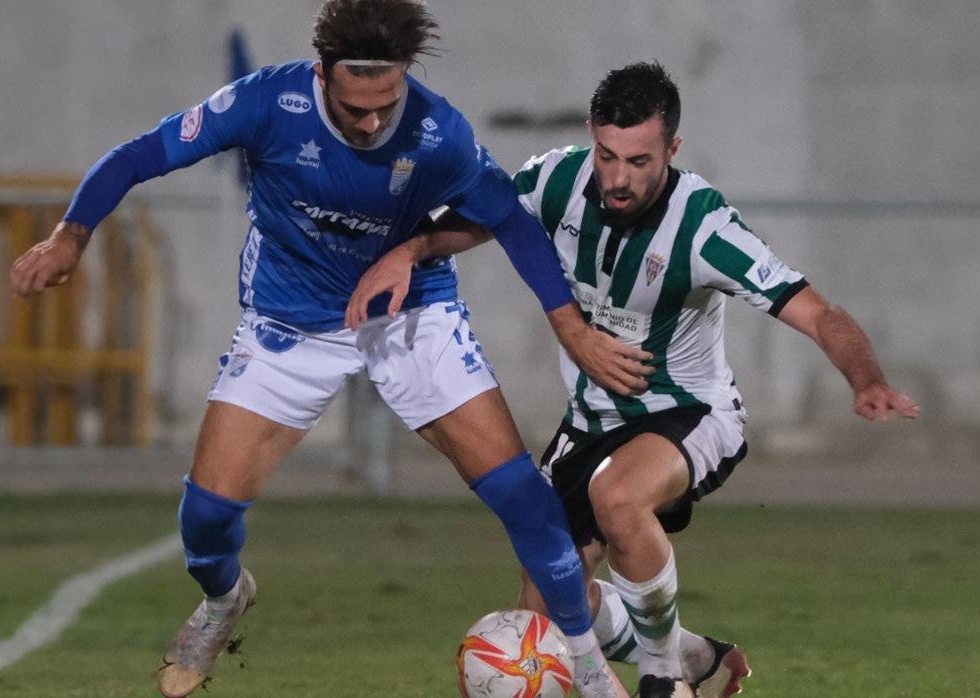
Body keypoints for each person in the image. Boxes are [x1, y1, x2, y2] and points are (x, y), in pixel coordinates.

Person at [9, 2, 651, 696]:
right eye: (355, 109)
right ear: (322, 77)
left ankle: (592, 675)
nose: (373, 123)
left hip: (412, 317)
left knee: (523, 497)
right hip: (291, 321)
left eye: (386, 104)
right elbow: (138, 155)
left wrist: (573, 330)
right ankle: (225, 599)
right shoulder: (265, 103)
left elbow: (513, 225)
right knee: (206, 521)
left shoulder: (440, 132)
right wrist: (71, 235)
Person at [348, 61, 921, 698]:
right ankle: (697, 655)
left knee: (618, 499)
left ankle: (659, 675)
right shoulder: (558, 179)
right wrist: (409, 250)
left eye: (640, 161)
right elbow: (481, 217)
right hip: (591, 421)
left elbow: (819, 313)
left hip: (689, 414)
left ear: (672, 149)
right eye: (608, 155)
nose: (618, 178)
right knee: (550, 606)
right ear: (592, 135)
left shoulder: (704, 226)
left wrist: (865, 377)